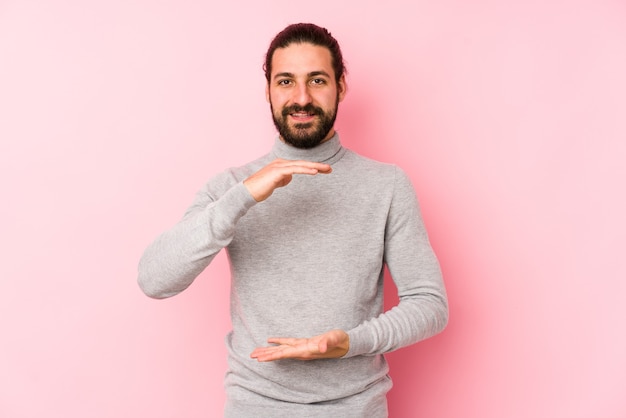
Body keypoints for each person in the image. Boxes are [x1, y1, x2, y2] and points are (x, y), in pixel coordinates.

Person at [138, 23, 448, 418]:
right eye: (286, 81)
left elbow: (430, 304)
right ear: (268, 89)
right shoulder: (232, 187)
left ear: (341, 86)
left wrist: (350, 342)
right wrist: (244, 198)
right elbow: (154, 279)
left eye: (317, 80)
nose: (301, 98)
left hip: (356, 409)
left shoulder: (386, 185)